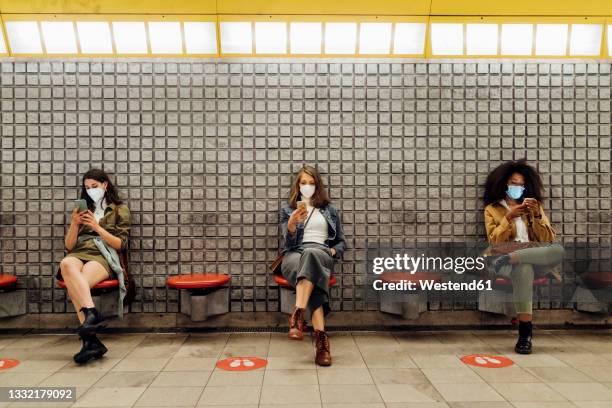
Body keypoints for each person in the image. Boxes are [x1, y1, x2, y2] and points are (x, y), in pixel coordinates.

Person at [484, 159, 563, 354]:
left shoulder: (534, 208)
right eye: (513, 183)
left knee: (558, 249)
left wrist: (536, 216)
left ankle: (517, 257)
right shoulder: (492, 210)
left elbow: (548, 239)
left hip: (536, 255)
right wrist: (509, 217)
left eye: (521, 184)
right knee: (523, 268)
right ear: (504, 184)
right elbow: (495, 242)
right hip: (505, 258)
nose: (517, 187)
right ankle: (525, 334)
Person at [58, 169, 130, 364]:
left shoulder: (118, 209)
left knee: (76, 287)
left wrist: (97, 227)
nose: (90, 191)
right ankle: (92, 314)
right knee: (66, 263)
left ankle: (90, 343)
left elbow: (121, 244)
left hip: (103, 254)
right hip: (79, 252)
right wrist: (74, 223)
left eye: (94, 187)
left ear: (105, 185)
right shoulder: (82, 210)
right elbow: (69, 246)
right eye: (87, 188)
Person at [279, 166, 346, 366]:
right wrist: (291, 225)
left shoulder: (329, 210)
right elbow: (288, 244)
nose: (307, 186)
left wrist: (333, 252)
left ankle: (298, 313)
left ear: (317, 185)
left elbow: (341, 242)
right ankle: (321, 342)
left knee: (312, 255)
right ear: (297, 185)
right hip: (294, 254)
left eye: (311, 182)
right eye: (303, 182)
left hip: (321, 253)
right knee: (309, 267)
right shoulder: (288, 209)